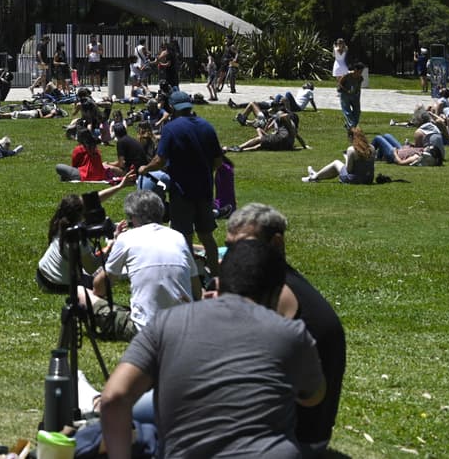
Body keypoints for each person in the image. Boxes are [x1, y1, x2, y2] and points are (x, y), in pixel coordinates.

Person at [100, 238, 325, 459]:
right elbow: (312, 397)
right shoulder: (291, 334)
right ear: (277, 292)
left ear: (218, 281)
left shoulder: (166, 323)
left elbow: (113, 398)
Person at [226, 204, 346, 455]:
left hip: (293, 439)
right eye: (231, 246)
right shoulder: (283, 280)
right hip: (305, 430)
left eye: (245, 245)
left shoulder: (277, 292)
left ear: (276, 243)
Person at [81, 190, 200, 341]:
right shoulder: (178, 236)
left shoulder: (126, 238)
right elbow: (197, 289)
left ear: (133, 217)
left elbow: (101, 288)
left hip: (146, 330)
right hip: (184, 327)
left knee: (80, 292)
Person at [138, 89, 221, 275]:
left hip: (182, 192)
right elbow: (218, 161)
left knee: (184, 238)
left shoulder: (171, 128)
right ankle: (215, 276)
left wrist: (145, 169)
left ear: (173, 108)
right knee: (207, 236)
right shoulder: (207, 126)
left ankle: (190, 278)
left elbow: (160, 160)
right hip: (205, 189)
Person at [304, 127, 375, 184]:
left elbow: (349, 170)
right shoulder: (372, 148)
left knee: (336, 163)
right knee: (337, 167)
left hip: (354, 180)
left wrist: (346, 158)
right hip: (368, 179)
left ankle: (313, 177)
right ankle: (316, 176)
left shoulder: (351, 149)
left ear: (351, 137)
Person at [337, 61, 365, 128]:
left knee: (357, 111)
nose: (360, 73)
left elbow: (358, 88)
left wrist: (357, 94)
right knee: (347, 111)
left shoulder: (360, 78)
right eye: (360, 71)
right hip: (345, 95)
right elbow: (340, 84)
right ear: (355, 70)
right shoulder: (347, 75)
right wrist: (346, 90)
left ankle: (350, 124)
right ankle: (352, 126)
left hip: (354, 95)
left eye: (361, 72)